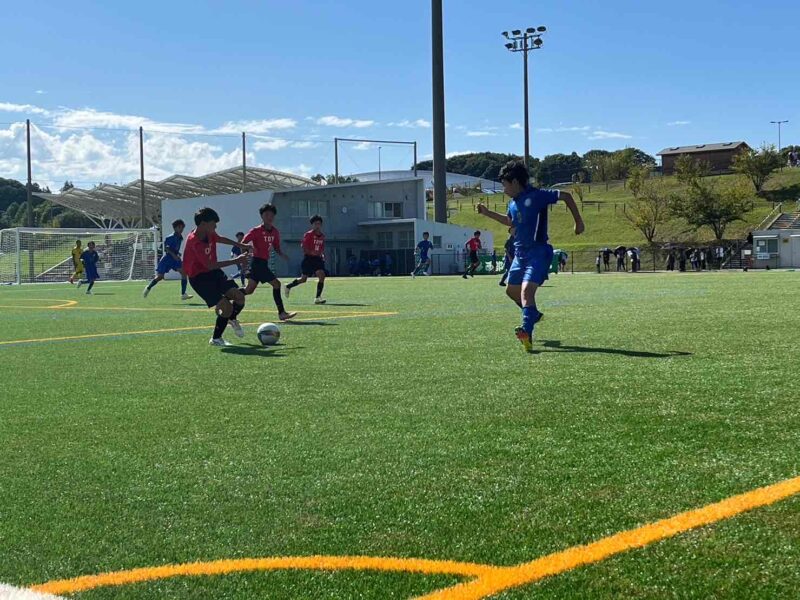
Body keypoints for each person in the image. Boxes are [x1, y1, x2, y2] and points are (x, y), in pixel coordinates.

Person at [477, 160, 585, 352]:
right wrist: (487, 213)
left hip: (538, 252)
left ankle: (527, 331)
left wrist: (578, 221)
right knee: (512, 291)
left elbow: (566, 196)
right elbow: (509, 221)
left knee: (526, 292)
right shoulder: (513, 203)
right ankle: (532, 313)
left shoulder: (537, 196)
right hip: (520, 254)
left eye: (505, 185)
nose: (504, 189)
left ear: (515, 182)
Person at [182, 207, 251, 347]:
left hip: (214, 273)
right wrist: (236, 260)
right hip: (199, 279)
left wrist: (240, 244)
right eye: (213, 224)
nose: (216, 227)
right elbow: (210, 265)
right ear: (203, 224)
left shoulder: (209, 232)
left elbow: (220, 238)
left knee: (239, 297)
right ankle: (216, 339)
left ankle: (231, 318)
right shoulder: (194, 241)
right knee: (227, 307)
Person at [241, 203, 297, 321]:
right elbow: (243, 243)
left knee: (249, 290)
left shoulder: (275, 232)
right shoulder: (256, 230)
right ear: (261, 216)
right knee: (277, 284)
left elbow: (276, 246)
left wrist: (282, 254)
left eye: (271, 215)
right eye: (266, 214)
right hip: (257, 263)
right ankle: (282, 313)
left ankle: (228, 296)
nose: (269, 217)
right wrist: (245, 254)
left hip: (263, 262)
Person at [142, 219, 193, 300]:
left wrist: (177, 253)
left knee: (184, 273)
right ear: (175, 228)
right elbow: (166, 248)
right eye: (180, 227)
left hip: (175, 259)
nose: (182, 229)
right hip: (167, 259)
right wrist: (174, 255)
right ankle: (148, 287)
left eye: (182, 227)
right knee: (160, 277)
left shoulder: (180, 237)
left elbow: (174, 248)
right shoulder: (170, 237)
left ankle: (183, 294)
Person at [285, 215, 328, 304]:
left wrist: (322, 254)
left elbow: (321, 247)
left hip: (317, 259)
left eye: (319, 224)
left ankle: (317, 297)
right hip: (308, 259)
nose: (317, 226)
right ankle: (288, 286)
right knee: (303, 279)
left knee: (322, 275)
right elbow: (304, 246)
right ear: (312, 225)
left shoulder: (322, 236)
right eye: (315, 224)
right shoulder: (308, 234)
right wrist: (311, 252)